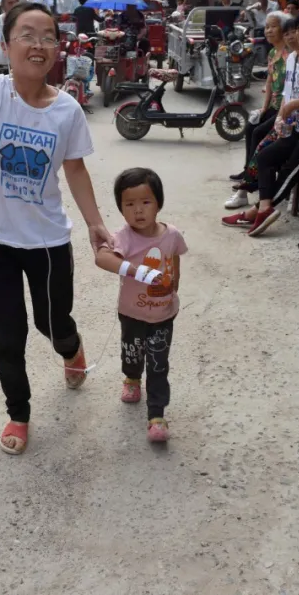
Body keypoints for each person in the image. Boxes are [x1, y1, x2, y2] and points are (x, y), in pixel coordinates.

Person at [0, 0, 113, 456]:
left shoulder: (66, 110)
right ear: (6, 45)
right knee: (8, 336)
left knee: (52, 323)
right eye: (27, 36)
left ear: (58, 49)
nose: (38, 45)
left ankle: (71, 346)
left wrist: (95, 223)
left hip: (46, 243)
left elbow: (75, 170)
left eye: (48, 37)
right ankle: (18, 413)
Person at [94, 168, 187, 443]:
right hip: (132, 313)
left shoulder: (172, 235)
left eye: (145, 202)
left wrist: (174, 286)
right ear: (121, 208)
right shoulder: (124, 236)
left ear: (158, 202)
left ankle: (156, 415)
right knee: (133, 355)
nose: (138, 211)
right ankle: (132, 379)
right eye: (129, 204)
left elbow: (175, 261)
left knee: (158, 364)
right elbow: (102, 258)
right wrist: (137, 272)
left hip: (163, 315)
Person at [228, 9, 299, 236]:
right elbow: (288, 94)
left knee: (290, 170)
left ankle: (259, 210)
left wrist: (292, 107)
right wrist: (280, 117)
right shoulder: (296, 58)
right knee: (266, 155)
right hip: (297, 125)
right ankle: (262, 207)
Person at [227, 16, 299, 212]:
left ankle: (249, 184)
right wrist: (263, 108)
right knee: (251, 127)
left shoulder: (289, 55)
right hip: (275, 107)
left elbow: (288, 88)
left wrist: (277, 113)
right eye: (266, 27)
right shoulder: (273, 53)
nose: (268, 31)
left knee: (259, 133)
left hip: (285, 110)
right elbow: (269, 82)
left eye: (273, 27)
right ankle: (247, 174)